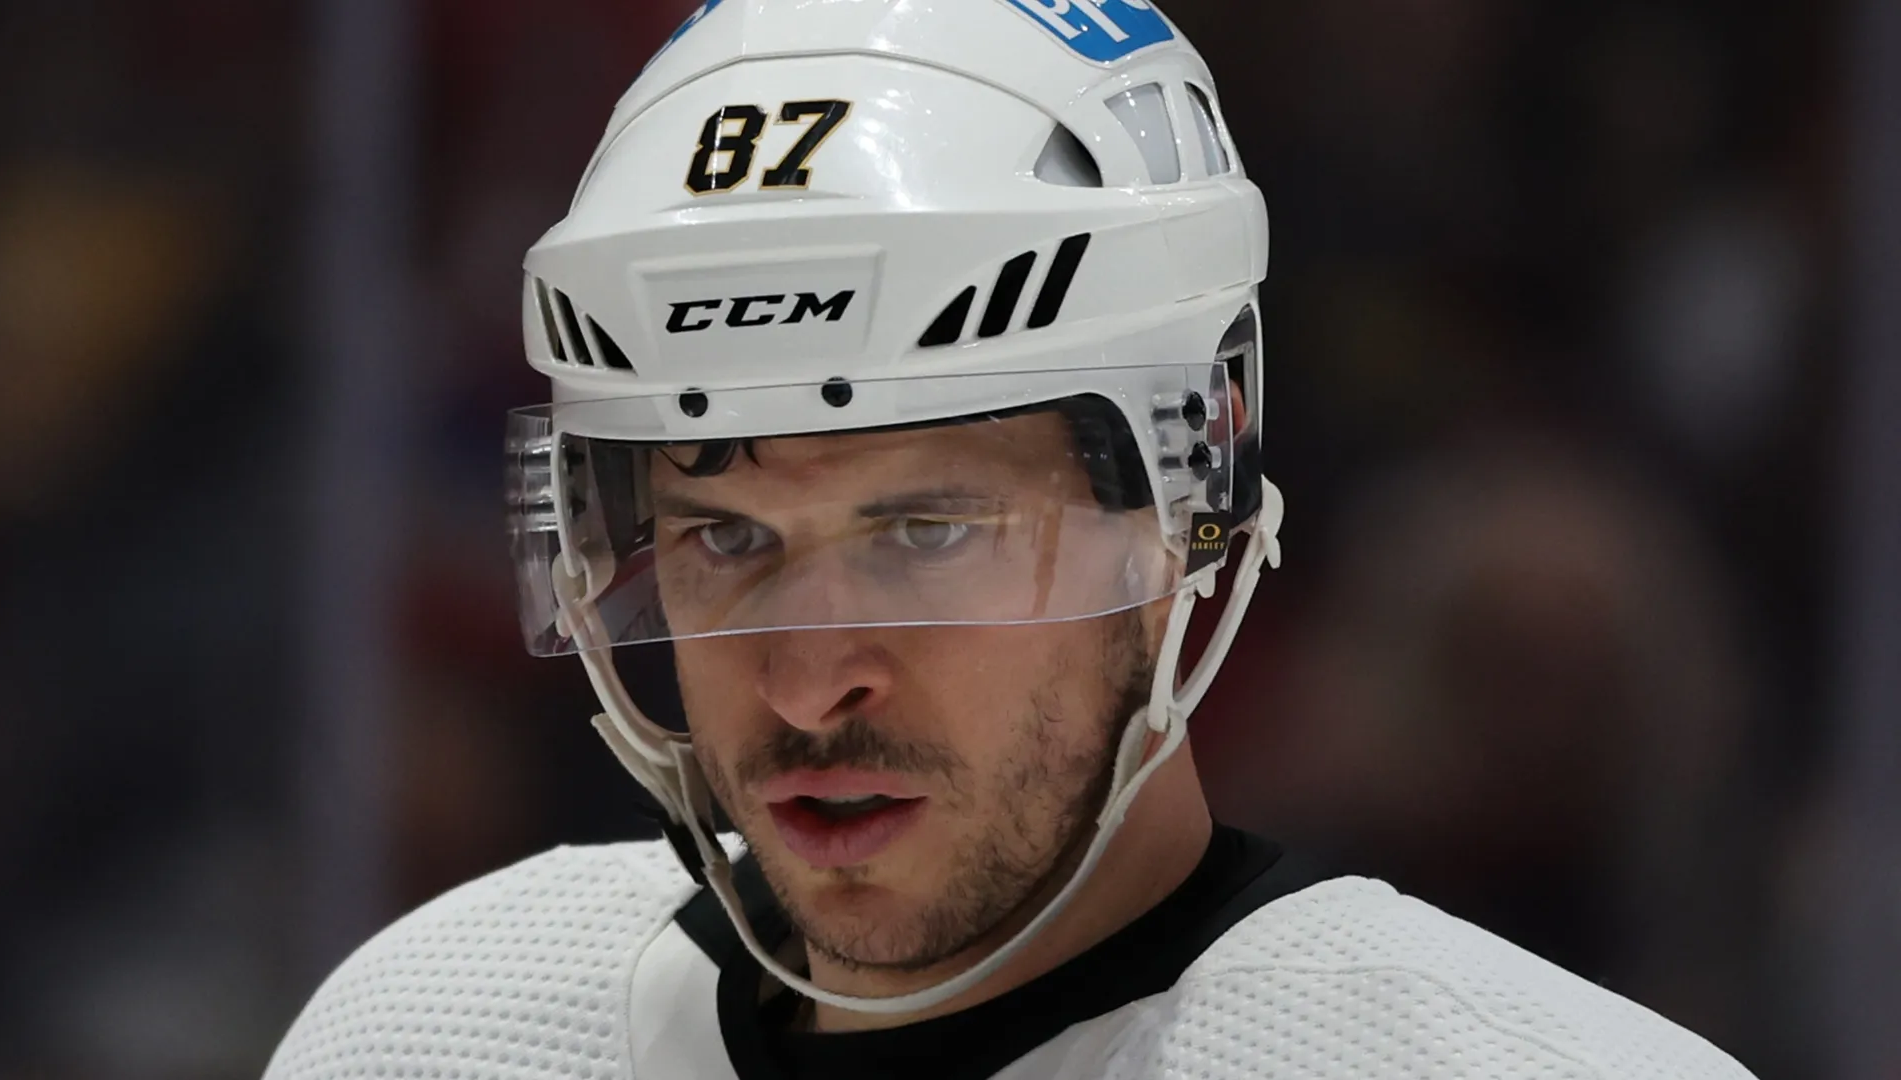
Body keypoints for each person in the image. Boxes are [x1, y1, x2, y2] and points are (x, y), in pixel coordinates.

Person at [264, 1, 1760, 1077]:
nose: (803, 682)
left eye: (921, 530)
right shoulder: (429, 1029)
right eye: (720, 537)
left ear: (1193, 485)